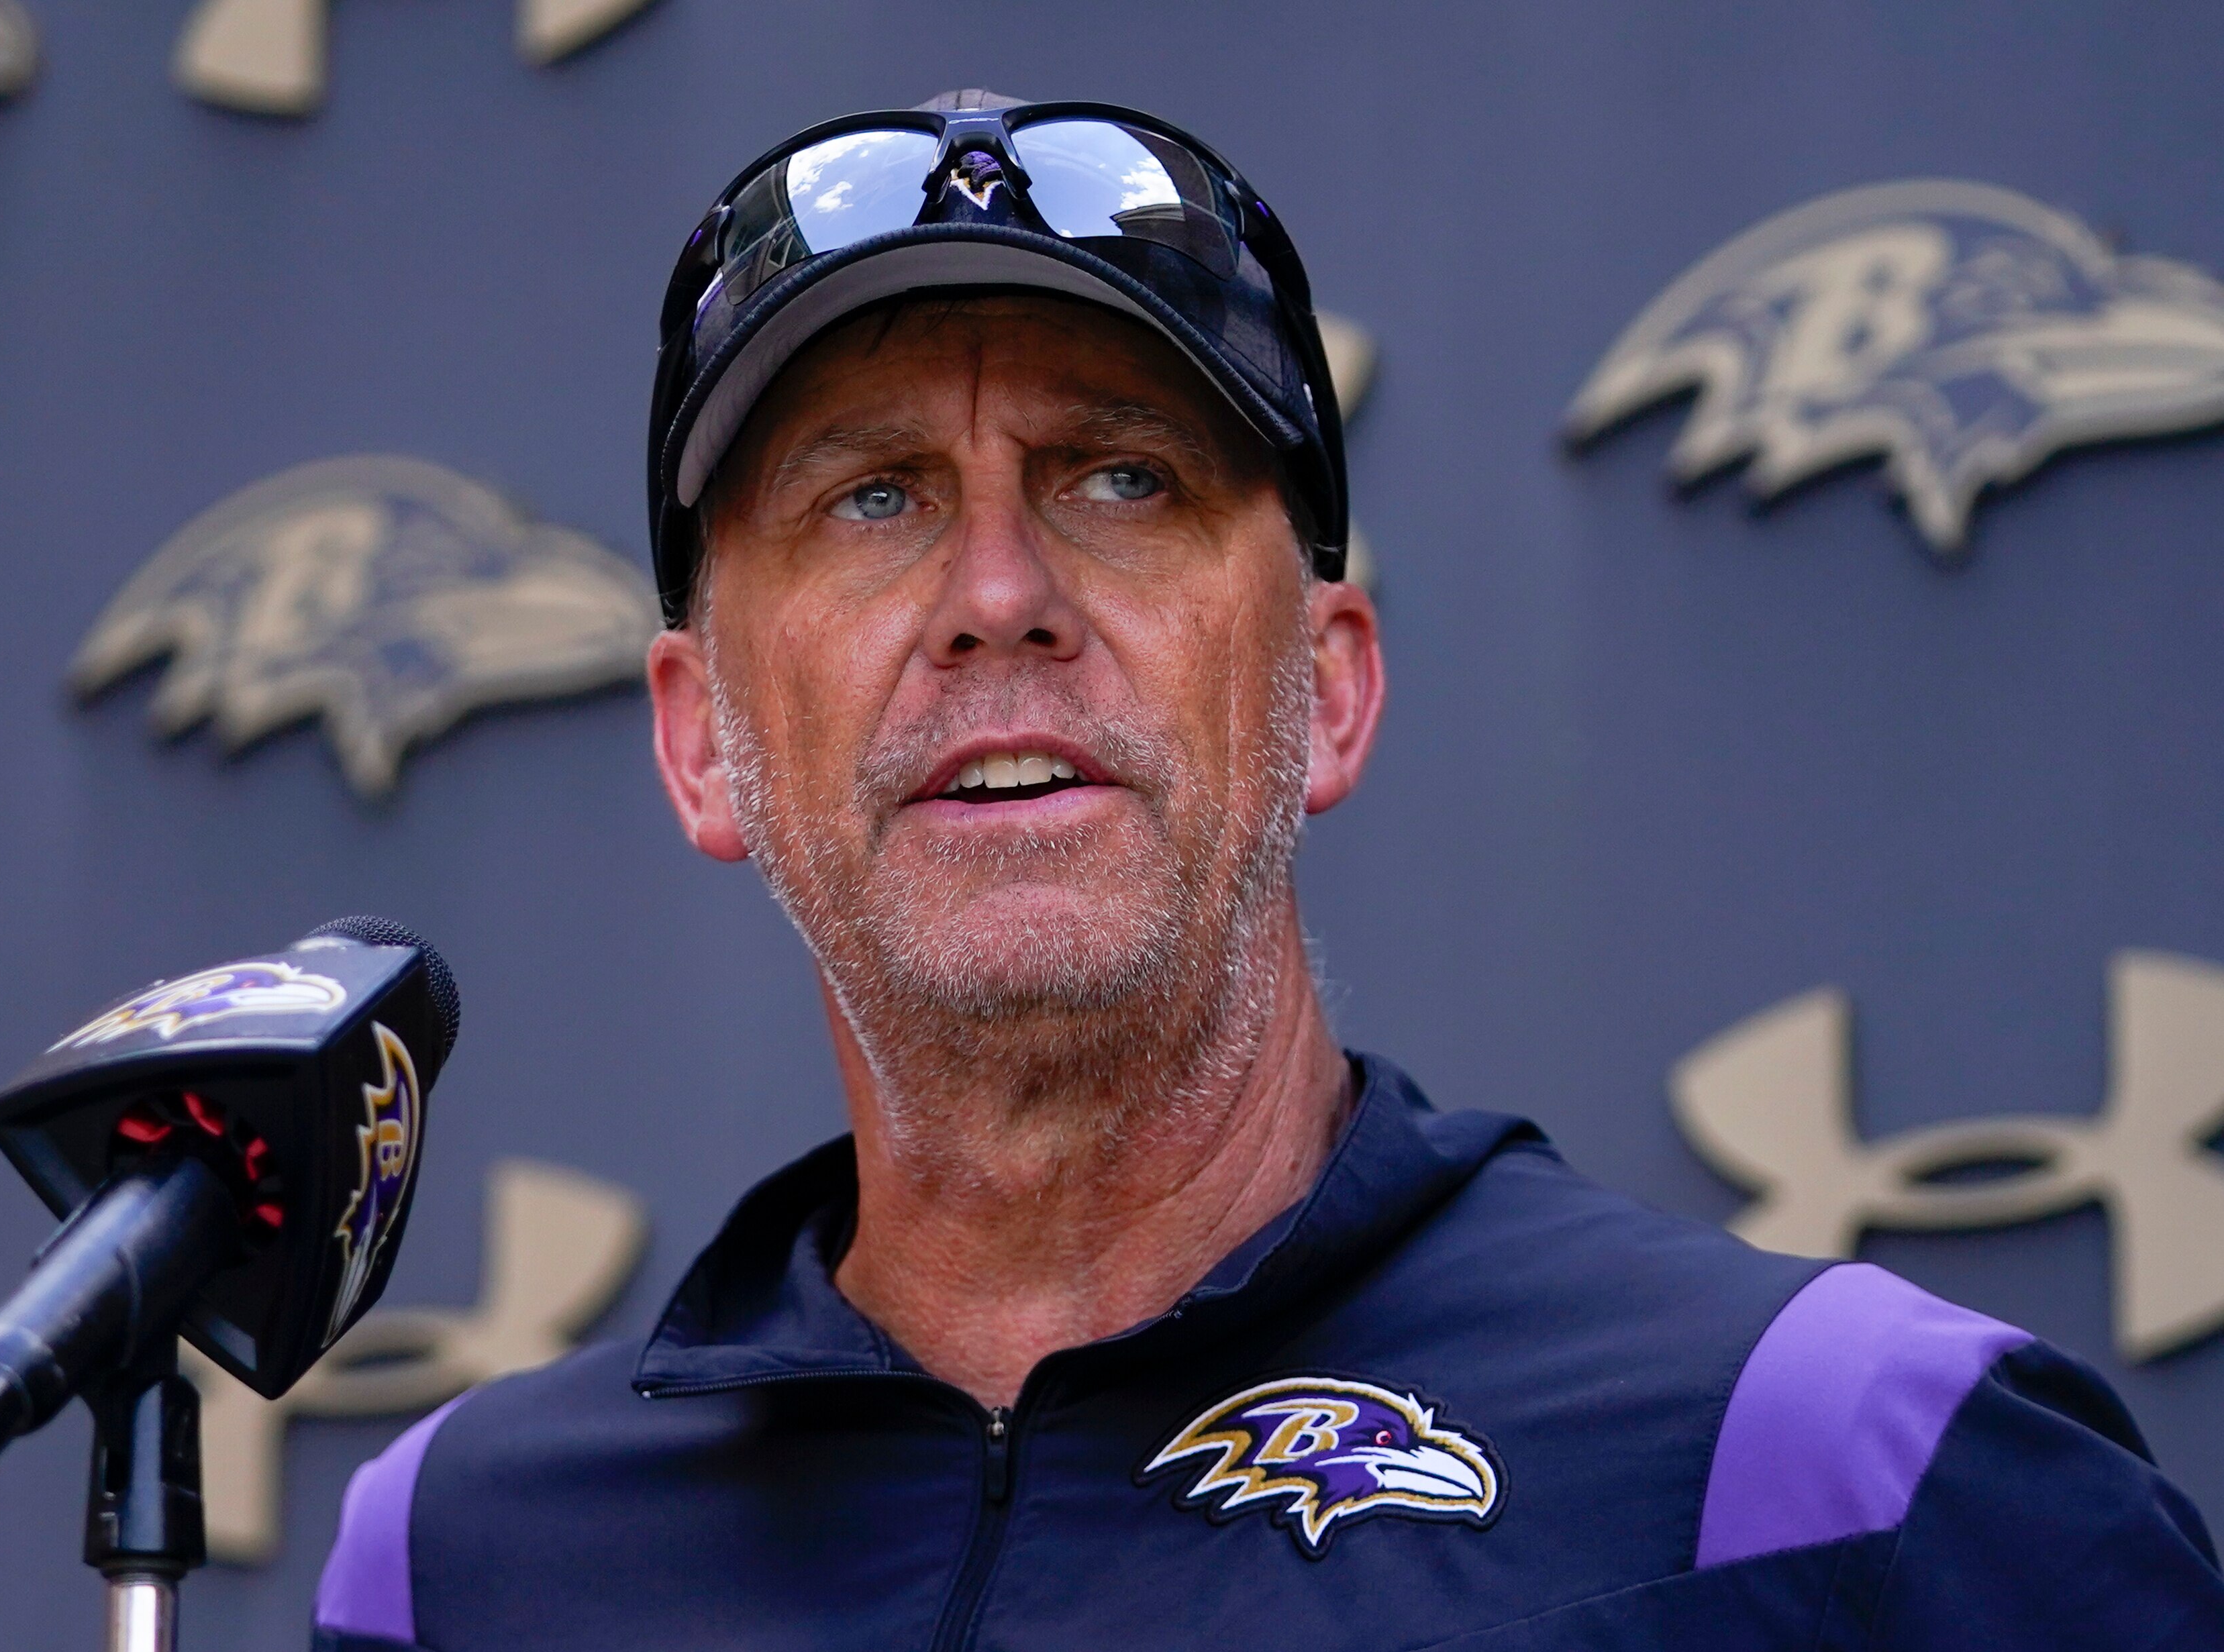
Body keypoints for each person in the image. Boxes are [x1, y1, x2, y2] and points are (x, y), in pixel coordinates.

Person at [311, 92, 2224, 1649]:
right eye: (870, 498)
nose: (998, 600)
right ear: (700, 738)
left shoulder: (1835, 1458)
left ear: (1328, 688)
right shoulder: (463, 1567)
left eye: (1123, 477)